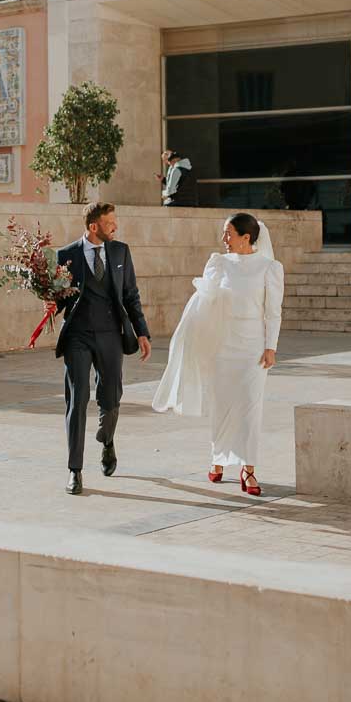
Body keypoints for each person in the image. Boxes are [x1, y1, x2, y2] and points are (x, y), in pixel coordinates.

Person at [151, 212, 283, 496]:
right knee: (222, 406)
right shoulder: (219, 264)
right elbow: (204, 302)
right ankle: (218, 458)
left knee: (250, 409)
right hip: (224, 345)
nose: (224, 239)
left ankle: (248, 469)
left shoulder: (269, 268)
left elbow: (273, 312)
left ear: (246, 238)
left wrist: (271, 347)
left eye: (229, 234)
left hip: (253, 349)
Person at [46, 202, 151, 494]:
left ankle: (106, 439)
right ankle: (74, 470)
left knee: (111, 396)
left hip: (110, 336)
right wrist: (52, 304)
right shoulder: (66, 255)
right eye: (110, 223)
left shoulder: (120, 252)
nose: (115, 227)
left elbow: (131, 295)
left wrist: (142, 332)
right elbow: (60, 297)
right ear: (94, 227)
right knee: (77, 399)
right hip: (78, 336)